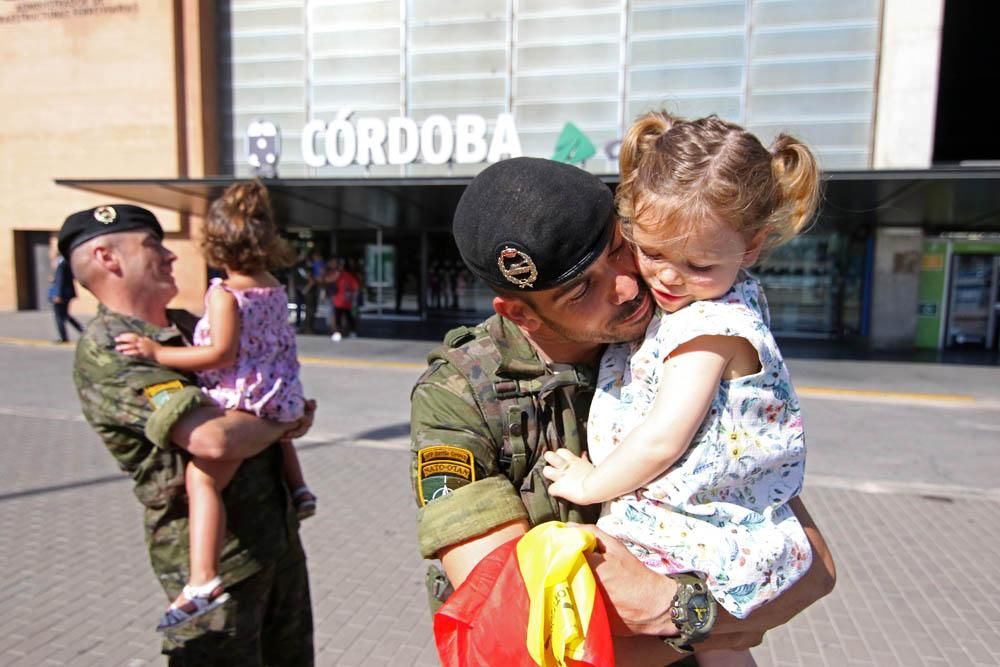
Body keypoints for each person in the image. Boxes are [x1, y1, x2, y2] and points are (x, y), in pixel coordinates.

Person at [409, 157, 836, 666]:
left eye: (620, 250)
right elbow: (522, 626)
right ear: (521, 313)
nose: (629, 286)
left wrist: (680, 612)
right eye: (582, 289)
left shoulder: (680, 335)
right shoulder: (459, 398)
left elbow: (811, 567)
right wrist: (711, 619)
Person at [541, 113, 819, 667]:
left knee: (617, 630)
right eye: (652, 252)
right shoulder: (704, 302)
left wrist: (590, 483)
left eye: (698, 264)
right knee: (720, 647)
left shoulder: (706, 328)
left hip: (690, 519)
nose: (667, 278)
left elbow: (664, 438)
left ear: (753, 246)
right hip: (695, 510)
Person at [60, 203, 315, 665]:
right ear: (107, 258)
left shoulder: (181, 326)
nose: (171, 256)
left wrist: (285, 415)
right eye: (153, 245)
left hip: (274, 538)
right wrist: (282, 417)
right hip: (221, 570)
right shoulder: (112, 350)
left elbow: (252, 388)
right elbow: (215, 440)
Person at [114, 182, 318, 631]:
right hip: (278, 392)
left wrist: (156, 353)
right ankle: (299, 488)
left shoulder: (225, 293)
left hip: (244, 396)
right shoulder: (272, 287)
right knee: (279, 430)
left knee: (201, 478)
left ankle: (203, 579)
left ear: (217, 246)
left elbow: (219, 355)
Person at [48, 254, 84, 343]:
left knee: (59, 316)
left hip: (61, 294)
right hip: (67, 293)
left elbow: (61, 280)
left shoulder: (61, 265)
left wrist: (57, 295)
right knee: (65, 315)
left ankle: (63, 337)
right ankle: (81, 329)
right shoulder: (68, 263)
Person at [327, 259, 359, 341]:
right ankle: (341, 332)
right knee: (343, 317)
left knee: (344, 317)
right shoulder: (341, 275)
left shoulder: (345, 275)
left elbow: (355, 287)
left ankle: (347, 332)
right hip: (342, 300)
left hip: (343, 301)